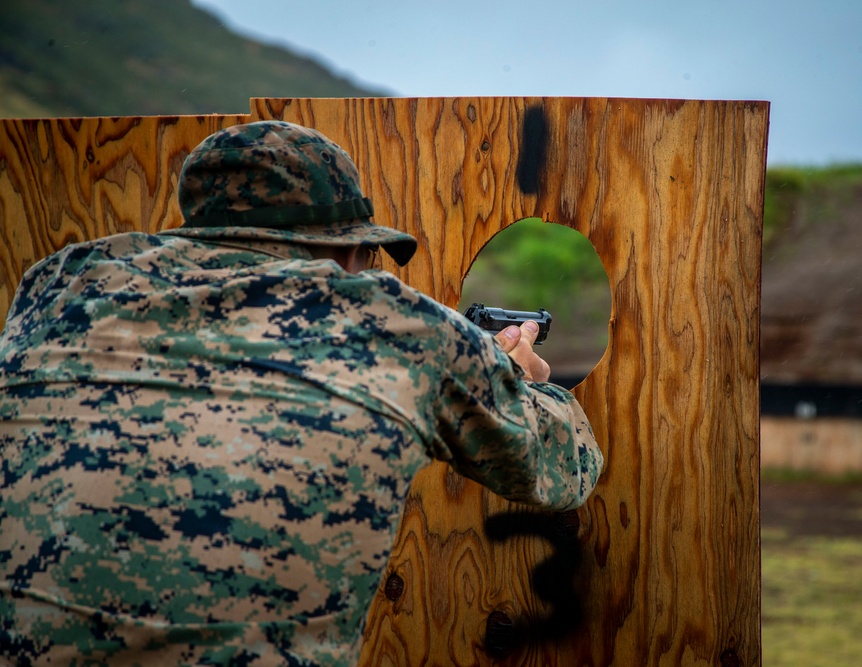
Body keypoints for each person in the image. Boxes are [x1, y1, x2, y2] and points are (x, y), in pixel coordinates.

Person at [0, 120, 604, 666]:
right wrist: (520, 378)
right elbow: (566, 466)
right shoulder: (400, 328)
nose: (368, 270)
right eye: (367, 255)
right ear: (344, 247)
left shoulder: (58, 286)